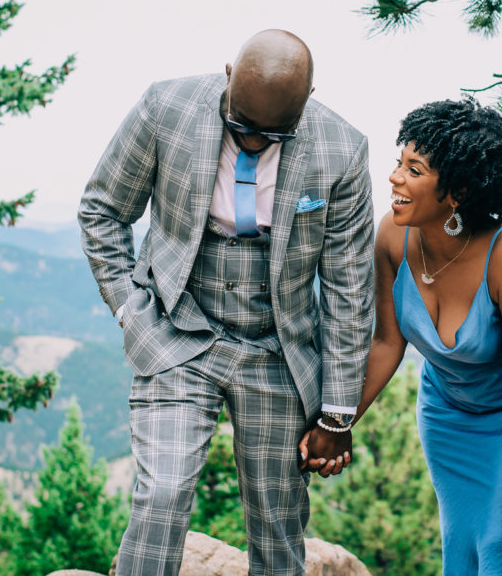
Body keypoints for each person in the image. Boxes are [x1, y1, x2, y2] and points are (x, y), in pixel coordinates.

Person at [79, 29, 374, 576]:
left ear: (307, 103)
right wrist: (128, 311)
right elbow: (102, 210)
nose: (254, 143)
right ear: (228, 76)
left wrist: (337, 411)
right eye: (242, 126)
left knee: (277, 522)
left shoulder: (343, 150)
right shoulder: (164, 107)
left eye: (273, 134)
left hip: (275, 348)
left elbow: (348, 289)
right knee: (162, 495)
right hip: (176, 330)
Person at [302, 97, 502, 575]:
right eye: (399, 162)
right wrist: (338, 422)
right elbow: (388, 341)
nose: (394, 177)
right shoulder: (393, 236)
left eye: (415, 169)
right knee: (465, 541)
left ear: (457, 191)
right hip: (449, 413)